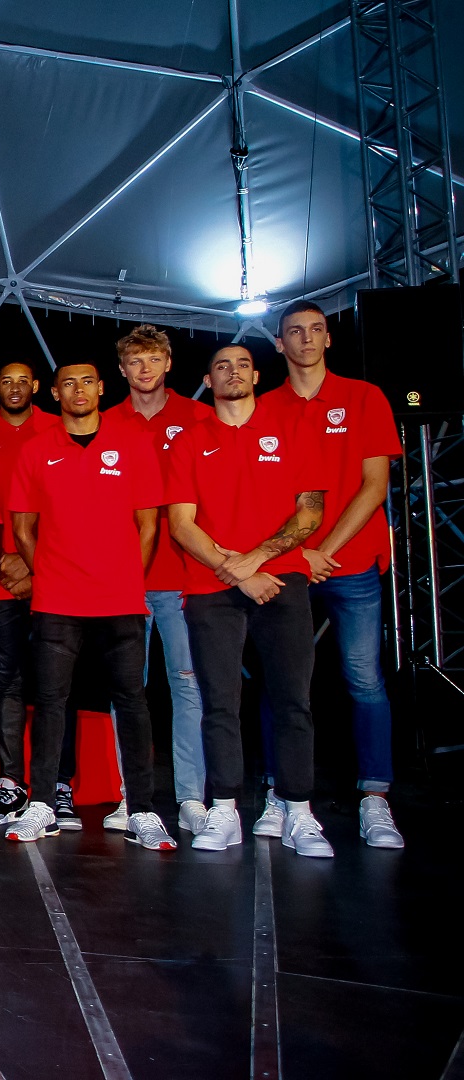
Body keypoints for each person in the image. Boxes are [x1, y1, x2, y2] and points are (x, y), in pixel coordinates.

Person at [168, 345, 332, 857]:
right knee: (219, 702)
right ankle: (225, 810)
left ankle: (297, 811)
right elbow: (181, 524)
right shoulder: (190, 440)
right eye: (222, 365)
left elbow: (310, 513)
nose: (233, 372)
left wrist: (257, 560)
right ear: (207, 380)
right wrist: (238, 573)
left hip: (283, 581)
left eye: (242, 364)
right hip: (211, 587)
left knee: (292, 700)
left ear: (257, 375)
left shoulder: (292, 430)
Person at [4, 362, 173, 849]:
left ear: (101, 388)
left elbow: (149, 524)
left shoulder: (134, 442)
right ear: (54, 393)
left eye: (86, 382)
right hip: (57, 599)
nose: (78, 390)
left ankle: (141, 809)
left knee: (132, 701)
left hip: (120, 599)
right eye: (68, 383)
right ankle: (41, 804)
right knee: (51, 702)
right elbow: (22, 529)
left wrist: (128, 578)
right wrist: (49, 573)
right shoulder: (37, 449)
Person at [262, 301, 405, 849]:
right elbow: (259, 491)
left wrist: (323, 549)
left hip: (352, 561)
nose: (306, 339)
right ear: (279, 343)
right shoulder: (264, 407)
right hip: (287, 566)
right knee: (282, 681)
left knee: (364, 678)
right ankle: (280, 792)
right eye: (294, 332)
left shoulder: (364, 397)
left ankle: (375, 798)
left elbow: (375, 486)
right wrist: (298, 553)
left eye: (316, 330)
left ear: (329, 339)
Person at [106, 325, 212, 834]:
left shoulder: (199, 417)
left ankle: (192, 797)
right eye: (135, 361)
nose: (144, 369)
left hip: (185, 577)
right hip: (122, 582)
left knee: (188, 689)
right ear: (121, 369)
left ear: (169, 364)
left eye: (153, 359)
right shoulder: (105, 423)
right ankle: (132, 797)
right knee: (128, 693)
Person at [0, 360, 81, 827]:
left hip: (56, 579)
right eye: (6, 381)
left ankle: (58, 785)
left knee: (60, 686)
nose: (15, 388)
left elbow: (77, 509)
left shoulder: (62, 431)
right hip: (1, 581)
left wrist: (38, 569)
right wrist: (6, 562)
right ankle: (11, 783)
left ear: (38, 387)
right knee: (9, 684)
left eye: (23, 381)